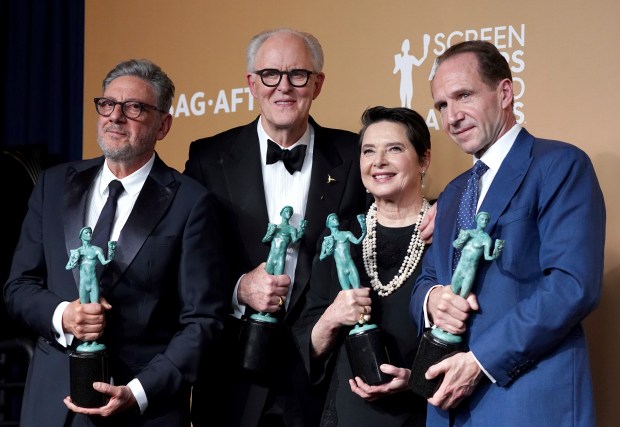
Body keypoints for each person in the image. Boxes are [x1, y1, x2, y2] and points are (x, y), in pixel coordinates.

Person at [3, 58, 228, 426]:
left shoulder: (191, 202)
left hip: (141, 410)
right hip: (50, 407)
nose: (115, 116)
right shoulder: (53, 185)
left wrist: (139, 391)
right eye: (107, 104)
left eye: (134, 107)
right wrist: (64, 316)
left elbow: (203, 322)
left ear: (163, 125)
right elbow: (19, 286)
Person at [409, 40, 605, 426]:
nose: (452, 117)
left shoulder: (559, 165)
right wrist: (432, 301)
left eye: (463, 96)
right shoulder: (451, 193)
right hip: (446, 408)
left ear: (504, 93)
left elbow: (571, 285)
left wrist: (482, 360)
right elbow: (426, 280)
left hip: (526, 400)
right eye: (441, 105)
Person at [184, 28, 370, 427]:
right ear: (252, 83)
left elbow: (390, 226)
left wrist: (434, 213)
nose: (283, 87)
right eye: (270, 74)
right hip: (234, 376)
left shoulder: (357, 153)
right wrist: (239, 289)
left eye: (298, 75)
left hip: (325, 378)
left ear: (317, 84)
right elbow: (186, 263)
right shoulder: (207, 158)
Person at [295, 106, 431, 427]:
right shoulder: (341, 236)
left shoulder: (447, 233)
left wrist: (416, 378)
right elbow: (306, 347)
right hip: (348, 415)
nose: (378, 161)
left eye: (394, 149)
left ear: (423, 159)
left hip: (425, 414)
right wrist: (331, 318)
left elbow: (473, 342)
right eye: (368, 151)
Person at [65, 226, 116, 351]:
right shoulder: (78, 251)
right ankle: (85, 342)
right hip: (83, 284)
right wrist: (73, 259)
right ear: (81, 235)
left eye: (90, 232)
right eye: (86, 232)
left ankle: (95, 341)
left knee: (94, 311)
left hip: (93, 283)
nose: (89, 234)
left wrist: (111, 251)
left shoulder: (97, 250)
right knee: (85, 310)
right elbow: (68, 267)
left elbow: (105, 262)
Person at [319, 213, 366, 290]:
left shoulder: (346, 234)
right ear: (328, 224)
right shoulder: (327, 241)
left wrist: (364, 232)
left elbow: (357, 242)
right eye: (333, 219)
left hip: (350, 265)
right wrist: (328, 253)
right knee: (347, 294)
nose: (336, 219)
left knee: (357, 290)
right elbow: (321, 257)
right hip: (340, 269)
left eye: (336, 218)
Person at [263, 206, 307, 276]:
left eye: (290, 212)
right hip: (271, 257)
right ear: (281, 213)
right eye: (286, 211)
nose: (288, 213)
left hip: (281, 258)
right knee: (266, 279)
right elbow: (264, 241)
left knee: (278, 280)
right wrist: (270, 232)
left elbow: (295, 240)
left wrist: (301, 230)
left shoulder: (291, 229)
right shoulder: (275, 227)